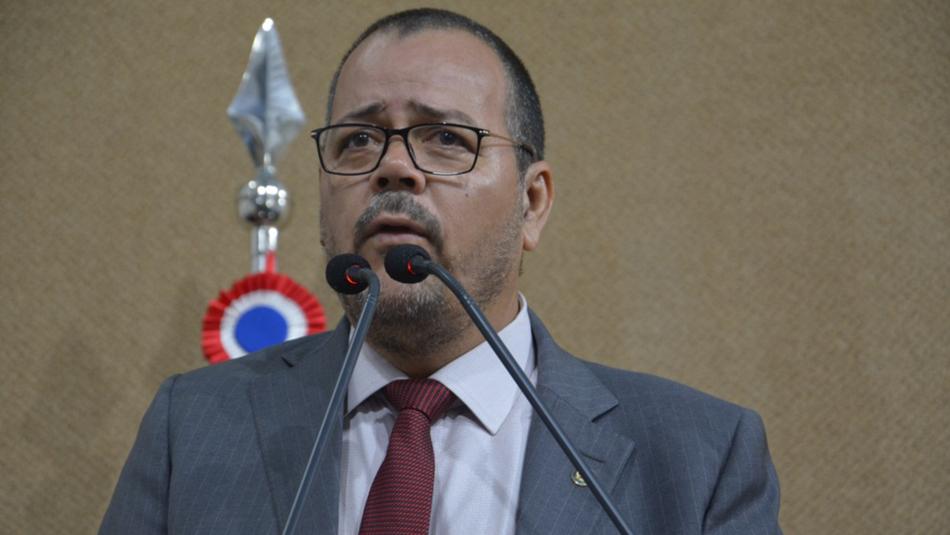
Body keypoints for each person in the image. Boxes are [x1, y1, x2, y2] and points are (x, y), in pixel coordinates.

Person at [101, 8, 781, 534]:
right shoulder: (193, 428)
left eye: (447, 138)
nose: (394, 166)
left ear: (532, 203)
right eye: (358, 139)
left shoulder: (699, 458)